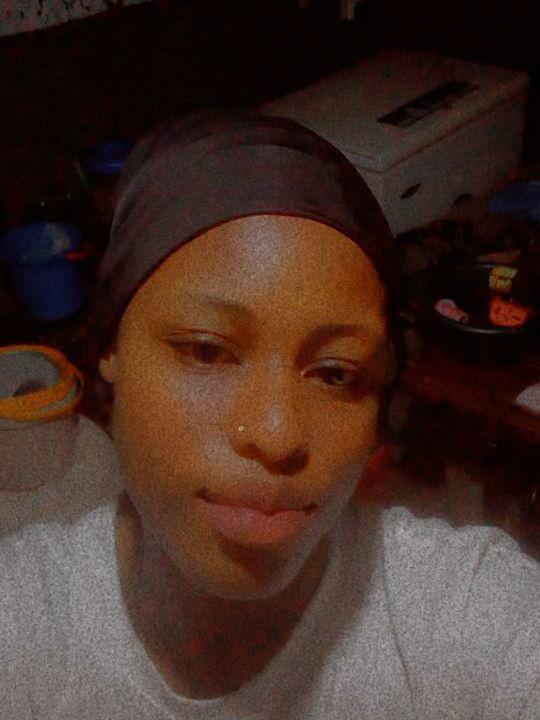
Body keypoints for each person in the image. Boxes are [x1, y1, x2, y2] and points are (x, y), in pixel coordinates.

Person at [1, 111, 538, 719]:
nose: (277, 435)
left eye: (336, 373)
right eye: (207, 351)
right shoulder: (21, 625)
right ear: (110, 349)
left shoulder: (464, 615)